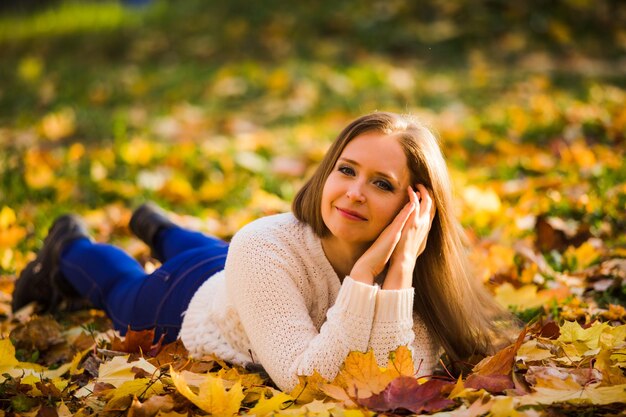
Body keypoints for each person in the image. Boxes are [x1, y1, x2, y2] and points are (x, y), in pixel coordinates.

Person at [12, 111, 510, 392]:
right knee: (124, 290)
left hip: (236, 268)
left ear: (417, 206)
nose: (355, 191)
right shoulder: (266, 244)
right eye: (346, 170)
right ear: (327, 171)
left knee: (209, 249)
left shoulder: (418, 275)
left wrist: (399, 270)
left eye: (381, 183)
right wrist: (364, 276)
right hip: (186, 301)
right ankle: (70, 245)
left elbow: (389, 383)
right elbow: (304, 380)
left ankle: (158, 227)